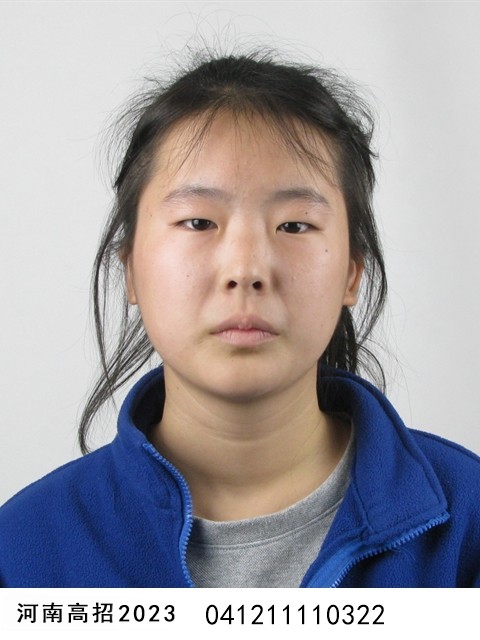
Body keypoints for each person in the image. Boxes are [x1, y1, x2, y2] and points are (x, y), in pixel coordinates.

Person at [0, 50, 479, 588]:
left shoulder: (467, 524)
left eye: (294, 226)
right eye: (198, 222)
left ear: (351, 273)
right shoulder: (22, 551)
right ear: (130, 269)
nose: (246, 269)